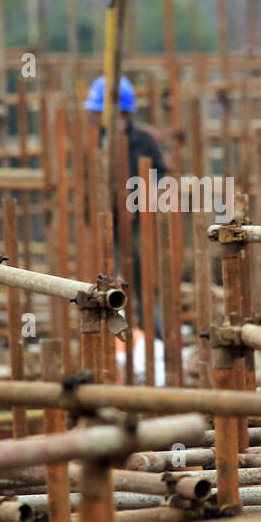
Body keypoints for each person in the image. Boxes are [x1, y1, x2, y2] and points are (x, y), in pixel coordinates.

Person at [84, 74, 168, 334]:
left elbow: (162, 176)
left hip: (137, 221)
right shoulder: (96, 141)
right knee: (108, 279)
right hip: (106, 221)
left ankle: (153, 334)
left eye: (100, 112)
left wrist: (142, 198)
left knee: (142, 279)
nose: (97, 118)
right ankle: (116, 335)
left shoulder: (144, 141)